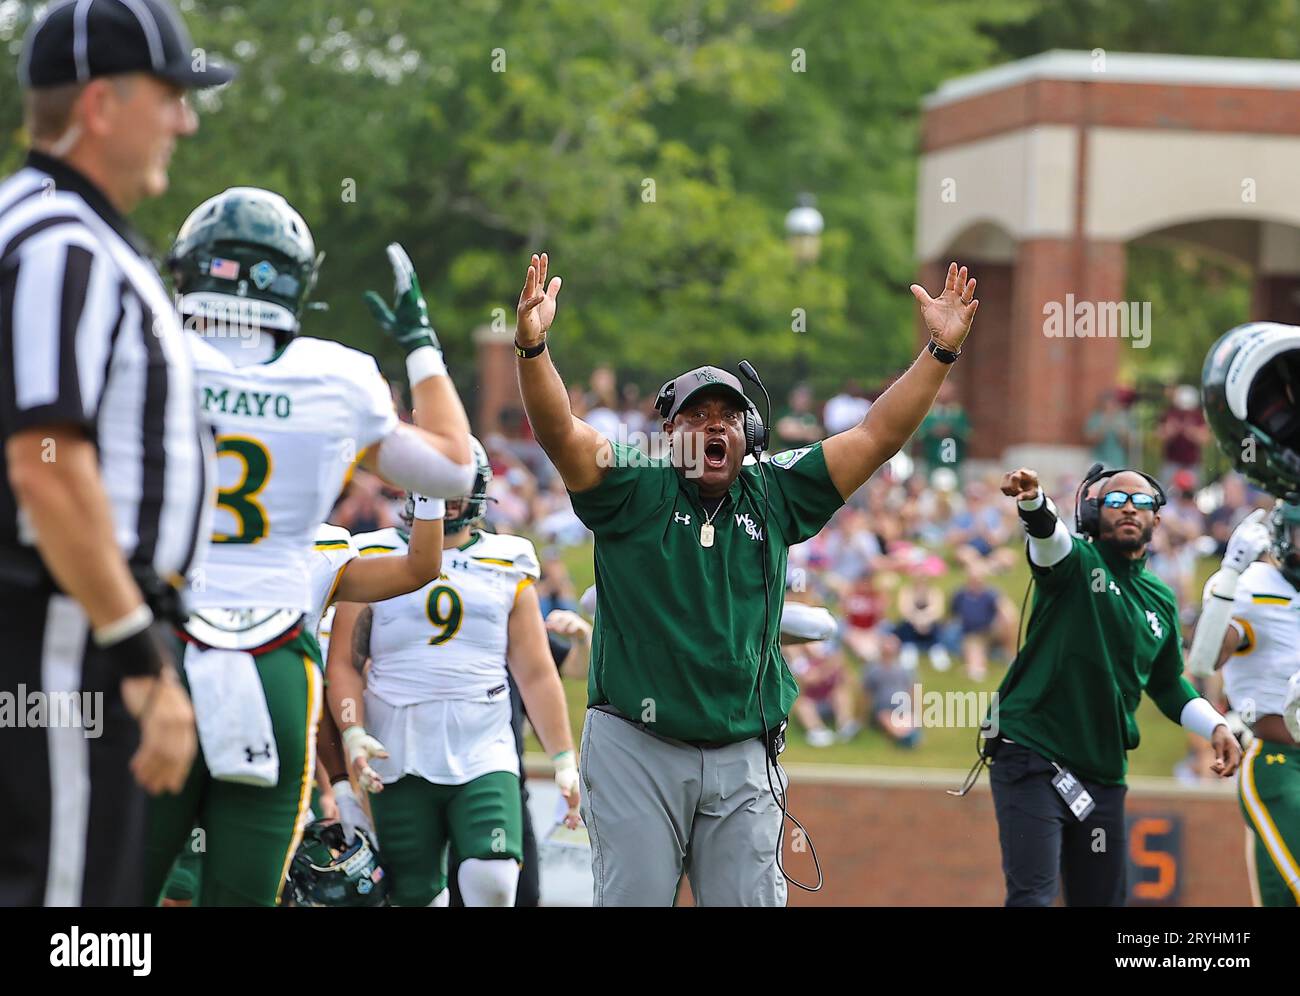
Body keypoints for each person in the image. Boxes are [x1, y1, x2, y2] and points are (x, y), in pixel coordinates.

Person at [513, 251, 980, 906]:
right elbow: (560, 431)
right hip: (635, 743)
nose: (714, 426)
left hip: (742, 749)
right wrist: (532, 348)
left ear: (749, 433)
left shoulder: (775, 492)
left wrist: (938, 352)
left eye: (728, 417)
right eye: (697, 416)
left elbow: (876, 435)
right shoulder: (633, 484)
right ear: (667, 433)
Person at [142, 188, 474, 907]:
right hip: (274, 662)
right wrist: (420, 345)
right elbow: (454, 469)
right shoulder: (339, 374)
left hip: (157, 648)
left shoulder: (142, 345)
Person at [0, 0, 234, 906]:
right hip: (65, 634)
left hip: (74, 627)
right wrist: (138, 654)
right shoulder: (65, 245)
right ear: (102, 103)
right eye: (171, 96)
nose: (186, 119)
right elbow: (44, 469)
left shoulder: (51, 229)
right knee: (70, 915)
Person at [327, 438, 581, 907]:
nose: (443, 499)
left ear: (478, 490)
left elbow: (536, 671)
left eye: (453, 486)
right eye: (433, 486)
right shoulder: (373, 553)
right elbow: (344, 661)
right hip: (395, 746)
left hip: (483, 744)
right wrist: (353, 729)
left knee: (496, 879)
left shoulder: (508, 559)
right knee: (415, 895)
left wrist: (563, 756)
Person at [987, 466, 1241, 907]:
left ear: (1156, 520)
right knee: (1033, 898)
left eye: (1141, 502)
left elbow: (1167, 684)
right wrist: (1033, 502)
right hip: (1031, 752)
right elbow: (1049, 541)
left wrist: (1216, 726)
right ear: (1091, 512)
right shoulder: (1076, 564)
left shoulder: (1160, 598)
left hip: (1101, 772)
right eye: (1115, 499)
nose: (1128, 507)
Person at [1187, 503, 1300, 905]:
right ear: (1284, 538)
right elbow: (1203, 660)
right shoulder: (1254, 585)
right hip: (1281, 762)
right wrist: (1229, 575)